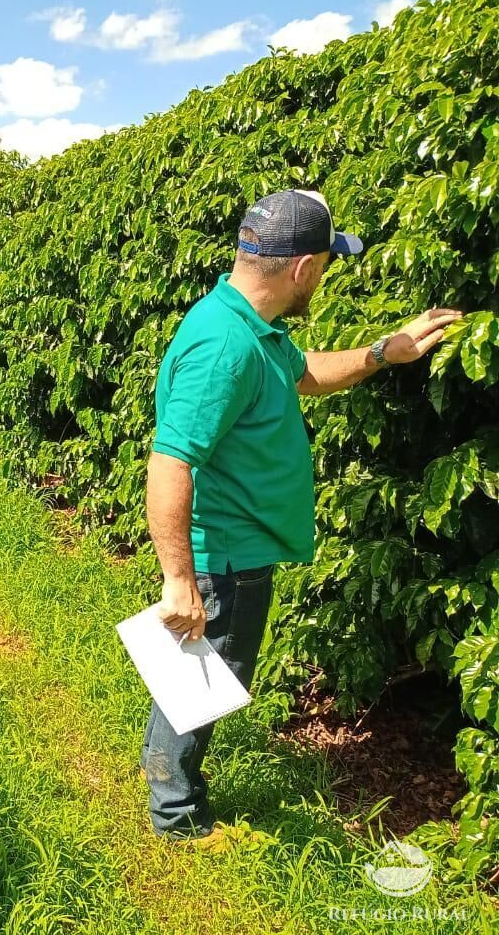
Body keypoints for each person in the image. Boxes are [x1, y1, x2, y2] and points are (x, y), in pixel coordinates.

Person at [140, 189, 462, 842]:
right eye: (326, 263)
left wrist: (380, 352)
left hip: (232, 552)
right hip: (223, 558)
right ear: (304, 270)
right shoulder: (225, 347)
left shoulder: (247, 327)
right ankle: (175, 820)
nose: (324, 274)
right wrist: (180, 580)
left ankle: (171, 793)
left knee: (194, 676)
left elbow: (305, 372)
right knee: (202, 683)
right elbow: (170, 460)